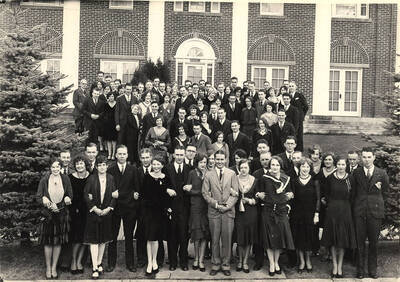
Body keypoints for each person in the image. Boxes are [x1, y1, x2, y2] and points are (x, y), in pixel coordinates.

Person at [351, 147, 389, 279]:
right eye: (364, 157)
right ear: (361, 158)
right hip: (360, 212)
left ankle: (372, 270)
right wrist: (355, 210)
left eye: (369, 157)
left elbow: (385, 193)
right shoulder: (356, 173)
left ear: (374, 157)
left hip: (375, 213)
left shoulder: (381, 173)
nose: (366, 160)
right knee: (359, 243)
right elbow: (353, 194)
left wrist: (376, 206)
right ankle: (360, 270)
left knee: (374, 243)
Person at [202, 150, 239, 276]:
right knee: (215, 239)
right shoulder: (208, 174)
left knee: (227, 239)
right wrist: (216, 204)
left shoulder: (232, 174)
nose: (219, 161)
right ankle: (215, 264)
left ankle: (226, 265)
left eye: (222, 159)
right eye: (217, 159)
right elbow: (205, 193)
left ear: (226, 160)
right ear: (213, 160)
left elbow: (236, 194)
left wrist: (227, 206)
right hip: (214, 211)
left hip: (228, 212)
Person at [256, 156, 295, 276]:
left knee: (279, 239)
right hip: (268, 212)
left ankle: (276, 262)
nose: (275, 167)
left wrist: (290, 196)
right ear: (269, 166)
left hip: (281, 212)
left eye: (277, 165)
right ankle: (271, 263)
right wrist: (259, 195)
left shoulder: (286, 179)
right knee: (269, 239)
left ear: (280, 166)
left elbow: (290, 193)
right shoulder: (264, 179)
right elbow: (260, 193)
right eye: (272, 165)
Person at [37, 158, 73, 279]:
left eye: (58, 167)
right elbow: (38, 196)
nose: (55, 169)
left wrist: (67, 199)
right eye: (53, 167)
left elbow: (70, 194)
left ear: (61, 168)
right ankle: (48, 268)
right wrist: (45, 201)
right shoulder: (44, 180)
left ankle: (54, 268)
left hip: (61, 214)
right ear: (50, 168)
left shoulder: (65, 179)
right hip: (48, 216)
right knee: (48, 243)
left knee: (58, 243)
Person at [321, 157, 357, 278]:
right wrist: (331, 204)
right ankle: (334, 265)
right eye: (339, 164)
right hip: (332, 210)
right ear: (336, 165)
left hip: (345, 210)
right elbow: (326, 194)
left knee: (342, 240)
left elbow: (353, 195)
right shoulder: (330, 178)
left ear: (346, 165)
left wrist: (346, 206)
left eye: (343, 164)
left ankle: (340, 266)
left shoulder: (350, 178)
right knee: (332, 240)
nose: (341, 166)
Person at [106, 145, 140, 273]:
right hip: (115, 208)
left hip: (129, 208)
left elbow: (136, 190)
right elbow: (109, 190)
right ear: (116, 155)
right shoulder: (111, 170)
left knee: (129, 237)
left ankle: (130, 263)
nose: (121, 156)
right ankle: (111, 263)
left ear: (127, 155)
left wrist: (128, 196)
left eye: (124, 154)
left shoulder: (133, 169)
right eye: (119, 154)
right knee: (112, 237)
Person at [142, 155, 175, 278]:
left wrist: (168, 206)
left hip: (160, 213)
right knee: (150, 238)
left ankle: (154, 260)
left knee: (156, 238)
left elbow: (170, 195)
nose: (156, 166)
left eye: (158, 164)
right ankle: (149, 262)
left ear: (162, 165)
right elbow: (145, 195)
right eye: (154, 164)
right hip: (149, 212)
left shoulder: (165, 178)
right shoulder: (147, 177)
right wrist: (165, 191)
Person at [83, 155, 116, 279]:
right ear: (96, 167)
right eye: (99, 165)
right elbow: (86, 195)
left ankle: (99, 262)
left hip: (106, 213)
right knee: (94, 241)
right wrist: (95, 209)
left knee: (103, 239)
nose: (102, 167)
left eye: (104, 165)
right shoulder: (91, 179)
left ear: (107, 166)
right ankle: (94, 267)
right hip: (94, 214)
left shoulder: (111, 178)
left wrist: (108, 208)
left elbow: (114, 195)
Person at [290, 157, 320, 273]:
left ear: (310, 168)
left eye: (307, 166)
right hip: (297, 215)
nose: (305, 169)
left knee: (308, 238)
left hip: (310, 214)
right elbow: (292, 199)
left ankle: (308, 261)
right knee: (299, 239)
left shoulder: (314, 181)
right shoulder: (294, 181)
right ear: (299, 168)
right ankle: (301, 261)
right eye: (303, 166)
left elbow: (318, 199)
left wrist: (316, 213)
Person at [165, 146, 191, 271]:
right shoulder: (167, 168)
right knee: (172, 235)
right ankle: (173, 262)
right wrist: (166, 189)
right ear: (173, 155)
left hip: (185, 208)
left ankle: (184, 261)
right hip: (171, 207)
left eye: (182, 155)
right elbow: (162, 185)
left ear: (184, 155)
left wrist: (191, 187)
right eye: (177, 154)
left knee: (183, 235)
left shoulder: (189, 169)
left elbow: (193, 184)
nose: (179, 157)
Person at [185, 153, 210, 272]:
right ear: (197, 163)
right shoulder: (192, 173)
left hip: (206, 207)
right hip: (195, 207)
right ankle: (195, 258)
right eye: (201, 162)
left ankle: (201, 260)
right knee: (196, 234)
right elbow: (188, 191)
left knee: (204, 234)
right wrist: (200, 192)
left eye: (205, 162)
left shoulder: (209, 173)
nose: (203, 165)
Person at [233, 160, 258, 273]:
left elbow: (258, 198)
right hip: (238, 212)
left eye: (245, 167)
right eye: (241, 167)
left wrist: (249, 200)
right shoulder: (234, 179)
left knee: (248, 238)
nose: (243, 170)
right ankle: (239, 261)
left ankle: (245, 262)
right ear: (238, 168)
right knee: (240, 237)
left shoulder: (254, 180)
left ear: (249, 169)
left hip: (250, 212)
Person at [68, 155, 90, 275]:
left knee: (84, 239)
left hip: (88, 212)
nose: (79, 166)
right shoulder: (70, 178)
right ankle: (73, 261)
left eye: (81, 164)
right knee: (76, 238)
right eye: (77, 164)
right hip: (75, 212)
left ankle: (79, 262)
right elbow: (69, 195)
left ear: (85, 164)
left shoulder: (91, 177)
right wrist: (74, 208)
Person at [252, 151, 272, 271]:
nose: (265, 162)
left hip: (272, 209)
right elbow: (253, 190)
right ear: (260, 161)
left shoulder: (276, 172)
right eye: (263, 160)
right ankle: (258, 261)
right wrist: (258, 195)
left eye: (267, 159)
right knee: (259, 235)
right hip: (260, 209)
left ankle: (272, 261)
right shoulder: (256, 173)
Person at [315, 152, 337, 252]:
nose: (327, 162)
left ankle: (331, 249)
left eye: (330, 159)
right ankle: (322, 249)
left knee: (332, 226)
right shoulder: (320, 172)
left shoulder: (337, 171)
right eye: (326, 160)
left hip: (333, 202)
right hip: (321, 203)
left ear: (333, 161)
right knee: (322, 225)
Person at [288, 81, 308, 152]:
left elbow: (306, 106)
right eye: (290, 86)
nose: (291, 87)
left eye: (292, 86)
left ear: (296, 87)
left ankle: (299, 150)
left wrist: (302, 115)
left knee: (299, 134)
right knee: (291, 133)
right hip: (290, 118)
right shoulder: (288, 96)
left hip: (298, 119)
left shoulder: (299, 95)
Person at [103, 92, 118, 160]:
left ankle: (113, 154)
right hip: (107, 124)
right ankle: (109, 154)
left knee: (114, 140)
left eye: (112, 96)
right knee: (108, 140)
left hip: (115, 123)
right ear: (108, 97)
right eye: (110, 96)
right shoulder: (106, 105)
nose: (111, 97)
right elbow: (104, 114)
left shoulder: (117, 104)